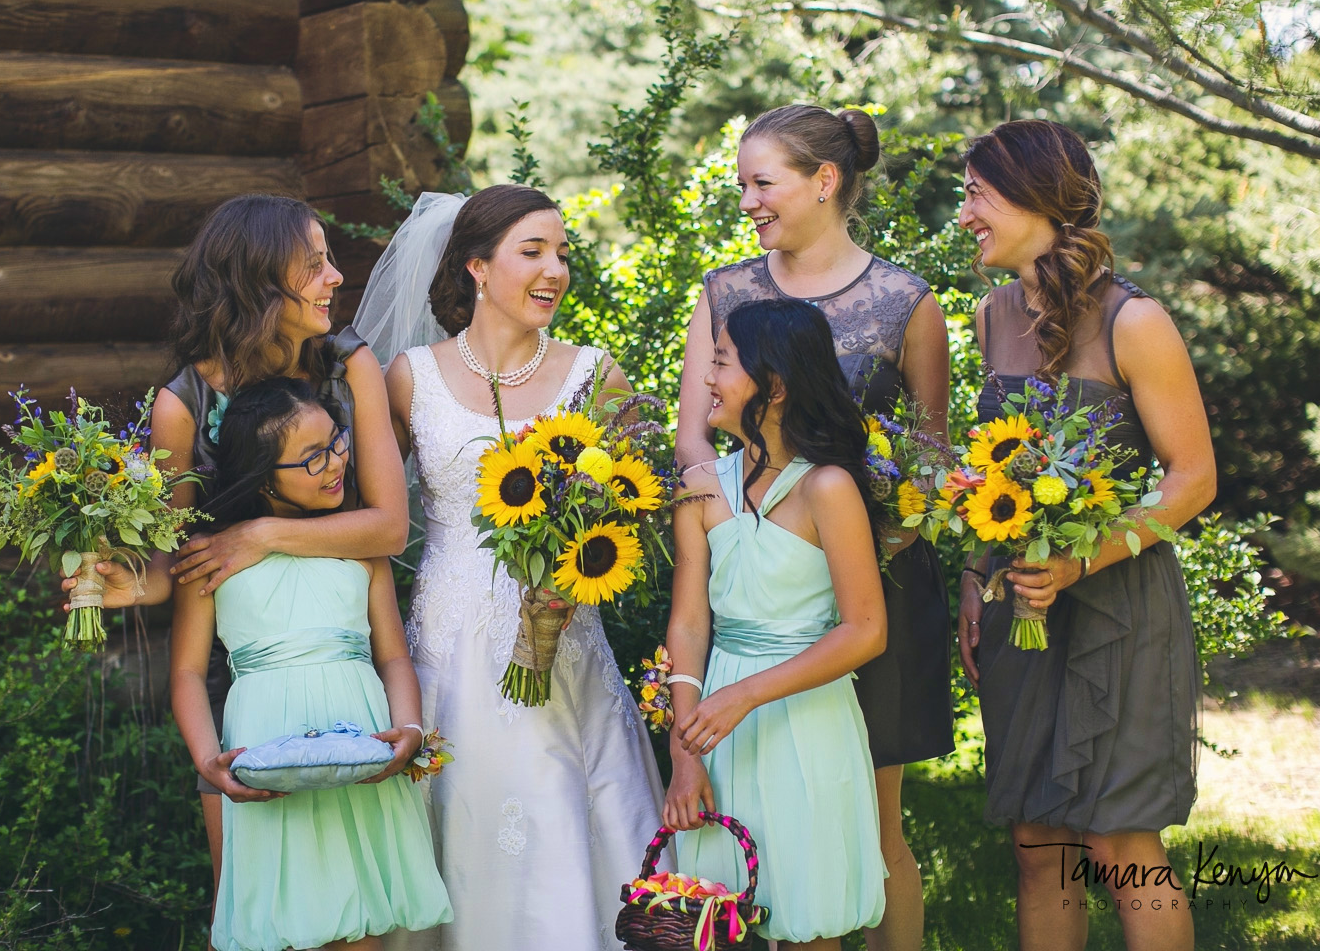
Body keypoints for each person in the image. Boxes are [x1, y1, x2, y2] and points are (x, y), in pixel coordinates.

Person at [65, 194, 410, 905]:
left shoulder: (352, 367)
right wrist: (131, 582)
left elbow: (388, 527)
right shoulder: (183, 403)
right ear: (258, 282)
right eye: (314, 266)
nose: (336, 278)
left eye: (330, 262)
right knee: (251, 900)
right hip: (237, 682)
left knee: (361, 898)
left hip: (343, 651)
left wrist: (258, 534)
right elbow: (180, 561)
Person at [674, 103, 951, 951]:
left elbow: (933, 458)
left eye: (763, 182)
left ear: (823, 181)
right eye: (743, 184)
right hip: (754, 565)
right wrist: (727, 516)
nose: (748, 200)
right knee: (750, 820)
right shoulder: (728, 291)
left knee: (870, 824)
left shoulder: (908, 300)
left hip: (876, 589)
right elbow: (692, 434)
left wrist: (862, 542)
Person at [362, 186, 667, 951]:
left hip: (565, 650)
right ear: (476, 266)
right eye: (533, 251)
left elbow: (641, 509)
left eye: (562, 253)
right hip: (447, 657)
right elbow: (370, 519)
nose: (556, 269)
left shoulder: (596, 375)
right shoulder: (409, 378)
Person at [955, 120, 1213, 951]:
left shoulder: (1136, 320)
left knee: (1120, 844)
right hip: (1018, 610)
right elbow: (985, 471)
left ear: (1035, 197)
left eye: (977, 195)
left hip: (1117, 611)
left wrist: (1079, 561)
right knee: (1038, 846)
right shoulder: (993, 315)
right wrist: (973, 585)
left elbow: (1193, 479)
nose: (967, 217)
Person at [171, 377, 451, 951]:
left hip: (358, 746)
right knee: (272, 924)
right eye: (312, 458)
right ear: (263, 477)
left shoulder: (359, 545)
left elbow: (393, 654)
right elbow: (187, 673)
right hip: (263, 748)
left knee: (358, 925)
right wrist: (208, 760)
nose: (335, 465)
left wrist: (410, 729)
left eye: (337, 443)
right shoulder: (217, 557)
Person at [664, 298, 889, 950]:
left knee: (805, 917)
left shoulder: (828, 489)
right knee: (714, 921)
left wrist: (744, 695)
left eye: (723, 362)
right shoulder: (700, 487)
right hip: (715, 728)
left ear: (777, 386)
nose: (707, 378)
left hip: (805, 719)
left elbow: (866, 630)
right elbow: (688, 625)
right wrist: (685, 749)